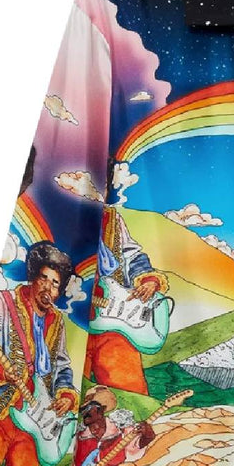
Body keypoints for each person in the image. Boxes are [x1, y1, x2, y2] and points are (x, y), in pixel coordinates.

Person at [0, 240, 79, 466]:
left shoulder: (57, 321)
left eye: (55, 284)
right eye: (44, 278)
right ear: (33, 277)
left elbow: (61, 365)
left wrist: (66, 395)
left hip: (36, 424)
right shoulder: (2, 302)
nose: (48, 288)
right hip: (2, 410)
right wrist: (1, 370)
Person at [84, 157, 169, 395]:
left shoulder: (113, 219)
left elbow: (132, 255)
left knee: (128, 390)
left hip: (113, 322)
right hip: (73, 321)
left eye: (103, 181)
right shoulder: (61, 216)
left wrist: (148, 280)